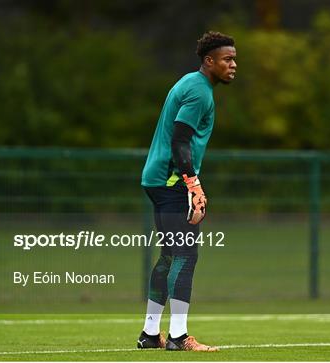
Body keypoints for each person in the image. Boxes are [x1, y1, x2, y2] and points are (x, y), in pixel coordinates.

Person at [137, 31, 236, 352]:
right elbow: (180, 139)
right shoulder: (199, 92)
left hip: (158, 178)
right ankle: (178, 337)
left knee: (169, 255)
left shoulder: (191, 83)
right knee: (185, 254)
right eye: (227, 59)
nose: (233, 65)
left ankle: (150, 335)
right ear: (209, 61)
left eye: (234, 59)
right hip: (172, 181)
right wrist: (193, 184)